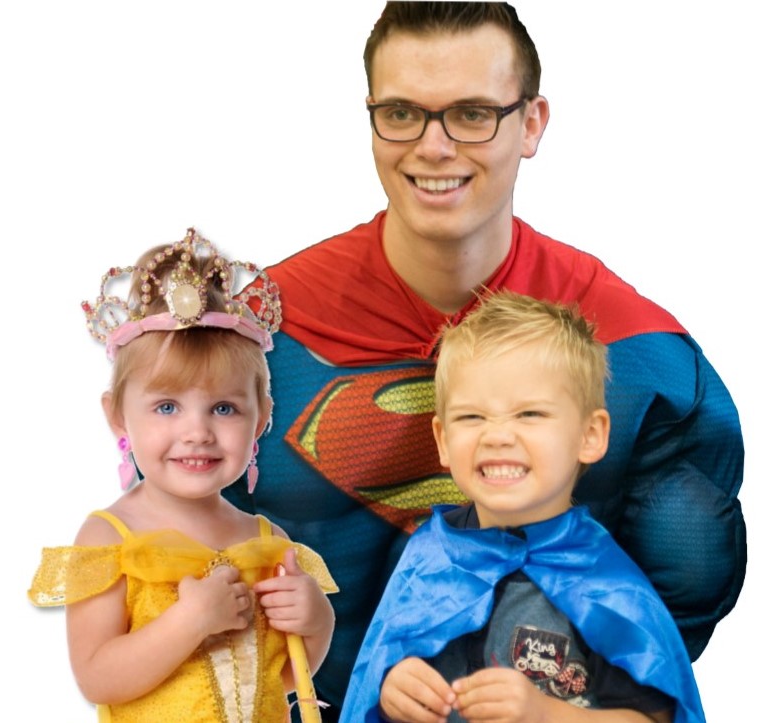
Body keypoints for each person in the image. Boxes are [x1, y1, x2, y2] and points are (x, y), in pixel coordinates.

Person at [224, 2, 745, 717]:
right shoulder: (256, 336)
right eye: (401, 113)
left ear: (531, 123)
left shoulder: (641, 354)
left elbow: (688, 571)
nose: (433, 147)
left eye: (472, 114)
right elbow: (175, 520)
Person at [341, 291, 705, 723]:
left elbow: (656, 719)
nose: (497, 436)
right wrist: (392, 691)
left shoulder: (607, 585)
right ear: (443, 440)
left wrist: (545, 714)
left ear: (590, 435)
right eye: (472, 417)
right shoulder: (428, 559)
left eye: (530, 414)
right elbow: (374, 688)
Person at [28, 228, 337, 722]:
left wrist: (316, 624)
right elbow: (96, 677)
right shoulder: (110, 539)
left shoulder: (267, 542)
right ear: (118, 416)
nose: (197, 433)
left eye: (223, 408)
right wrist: (189, 622)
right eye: (167, 406)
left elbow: (279, 678)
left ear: (261, 418)